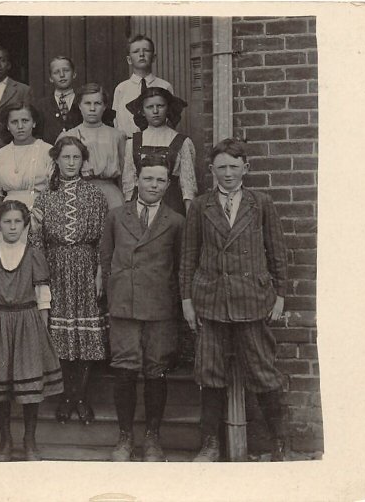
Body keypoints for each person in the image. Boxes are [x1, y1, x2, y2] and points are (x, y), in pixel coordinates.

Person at [180, 138, 289, 462]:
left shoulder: (261, 203)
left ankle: (279, 443)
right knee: (210, 372)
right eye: (221, 167)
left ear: (246, 168)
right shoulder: (201, 206)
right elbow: (188, 256)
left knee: (262, 371)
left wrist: (280, 294)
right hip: (211, 299)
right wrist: (187, 299)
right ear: (211, 170)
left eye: (234, 166)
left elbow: (277, 251)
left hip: (252, 299)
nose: (227, 173)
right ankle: (211, 443)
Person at [100, 154, 185, 462]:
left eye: (161, 180)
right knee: (124, 371)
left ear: (168, 184)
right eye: (148, 178)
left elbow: (180, 267)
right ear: (136, 180)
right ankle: (124, 438)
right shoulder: (116, 216)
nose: (154, 185)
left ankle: (152, 438)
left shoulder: (175, 221)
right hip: (124, 304)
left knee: (155, 371)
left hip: (159, 308)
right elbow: (105, 259)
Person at [0, 200, 63, 462]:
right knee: (1, 384)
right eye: (7, 222)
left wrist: (42, 327)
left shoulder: (34, 254)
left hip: (28, 322)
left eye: (17, 222)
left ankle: (29, 440)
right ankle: (5, 440)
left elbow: (43, 294)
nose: (12, 227)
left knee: (29, 383)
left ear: (25, 225)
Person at [30, 136, 107, 426]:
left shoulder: (95, 195)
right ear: (57, 160)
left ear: (83, 161)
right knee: (61, 335)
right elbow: (36, 241)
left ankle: (81, 396)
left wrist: (100, 272)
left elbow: (103, 239)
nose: (71, 163)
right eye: (66, 158)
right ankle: (65, 397)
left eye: (76, 158)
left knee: (85, 336)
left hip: (86, 267)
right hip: (56, 268)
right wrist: (41, 279)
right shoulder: (45, 196)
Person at [122, 86, 197, 216]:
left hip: (172, 205)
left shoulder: (182, 142)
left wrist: (190, 219)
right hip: (141, 205)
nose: (155, 111)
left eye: (160, 106)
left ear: (167, 108)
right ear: (142, 111)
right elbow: (129, 181)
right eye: (150, 107)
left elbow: (188, 186)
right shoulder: (133, 142)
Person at [58, 83, 127, 210]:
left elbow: (125, 172)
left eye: (97, 103)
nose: (92, 108)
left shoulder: (117, 136)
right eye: (87, 103)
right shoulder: (68, 136)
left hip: (111, 196)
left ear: (105, 106)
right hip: (77, 194)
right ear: (79, 105)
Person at [0, 102, 53, 211]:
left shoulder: (48, 151)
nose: (20, 126)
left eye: (25, 121)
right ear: (7, 126)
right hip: (8, 213)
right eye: (14, 122)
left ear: (34, 123)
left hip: (41, 209)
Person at [112, 34, 174, 139]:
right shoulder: (121, 89)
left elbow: (172, 119)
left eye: (146, 50)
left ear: (154, 58)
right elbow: (116, 122)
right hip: (129, 143)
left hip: (159, 141)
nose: (141, 54)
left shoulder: (165, 86)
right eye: (136, 51)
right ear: (129, 60)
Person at [33, 56, 83, 145]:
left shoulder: (83, 101)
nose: (62, 75)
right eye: (56, 72)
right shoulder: (41, 105)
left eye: (66, 70)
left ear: (74, 74)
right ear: (51, 78)